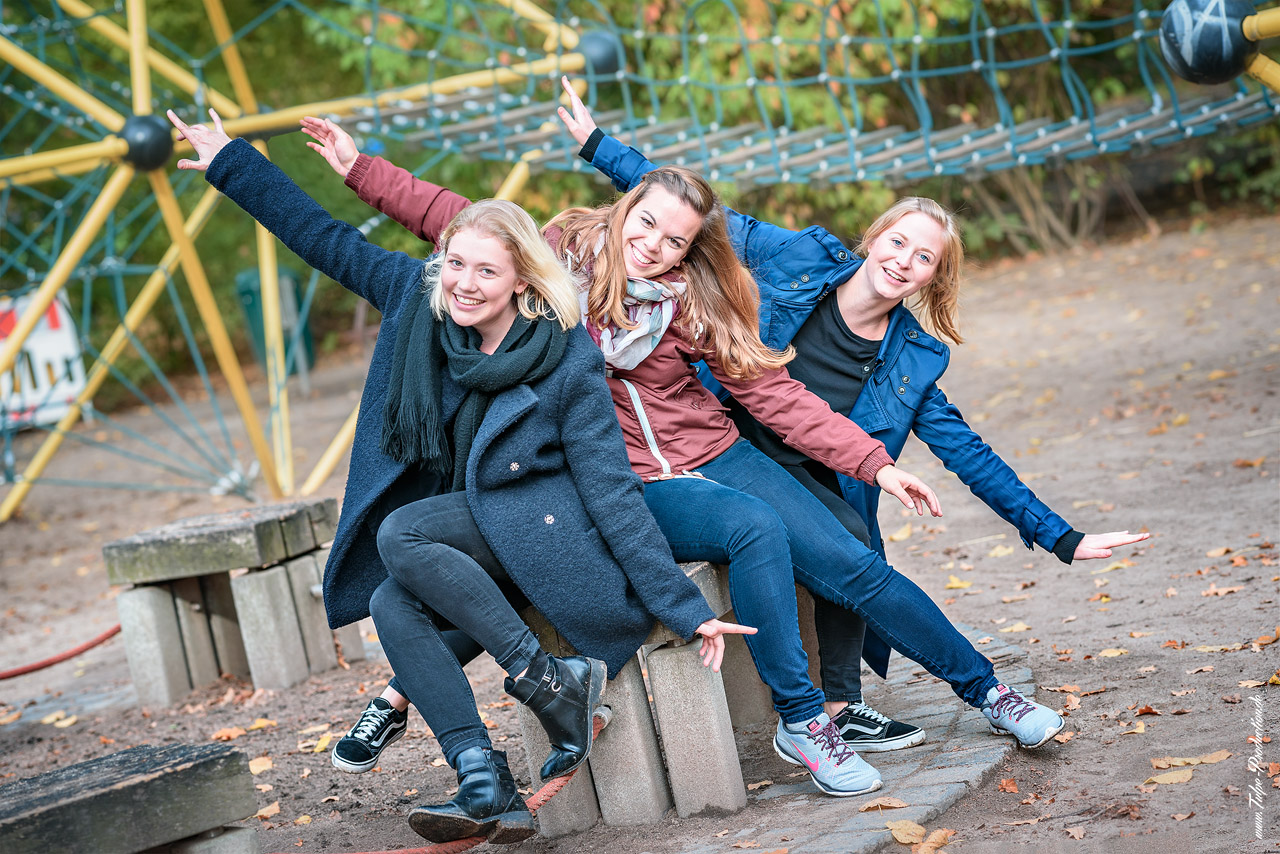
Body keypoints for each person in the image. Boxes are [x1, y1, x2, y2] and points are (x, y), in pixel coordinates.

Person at [303, 97, 1068, 800]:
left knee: (853, 564)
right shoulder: (558, 268)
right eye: (646, 226)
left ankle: (988, 692)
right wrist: (359, 169)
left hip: (717, 449)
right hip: (629, 479)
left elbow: (772, 391)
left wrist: (876, 463)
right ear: (625, 210)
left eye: (674, 241)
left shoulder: (691, 298)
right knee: (749, 528)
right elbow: (452, 216)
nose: (654, 246)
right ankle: (805, 719)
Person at [167, 108, 752, 845]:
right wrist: (230, 162)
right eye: (454, 264)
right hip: (467, 537)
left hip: (544, 531)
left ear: (519, 280)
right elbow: (318, 235)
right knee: (390, 601)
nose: (464, 283)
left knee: (400, 532)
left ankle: (548, 683)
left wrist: (679, 603)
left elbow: (608, 488)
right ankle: (483, 776)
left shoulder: (565, 356)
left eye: (486, 270)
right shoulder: (420, 302)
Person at [558, 80, 1150, 752]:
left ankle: (980, 695)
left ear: (933, 279)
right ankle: (826, 709)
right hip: (722, 444)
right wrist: (599, 147)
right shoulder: (800, 258)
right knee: (825, 544)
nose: (904, 260)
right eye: (898, 242)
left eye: (924, 258)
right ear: (873, 238)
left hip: (821, 469)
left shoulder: (910, 360)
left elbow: (972, 457)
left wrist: (1060, 536)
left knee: (855, 552)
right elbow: (688, 218)